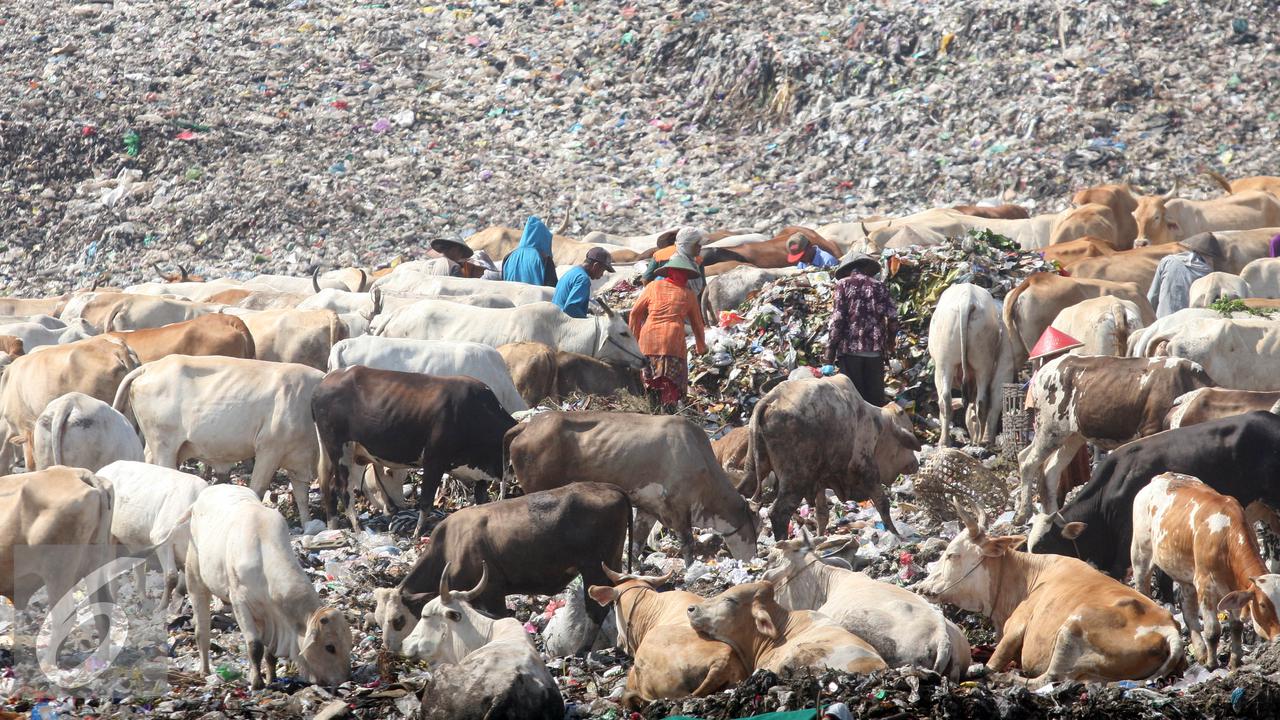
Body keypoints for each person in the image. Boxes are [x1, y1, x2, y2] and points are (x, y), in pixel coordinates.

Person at [628, 255, 706, 409]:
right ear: (686, 275)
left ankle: (650, 409)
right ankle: (668, 411)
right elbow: (697, 324)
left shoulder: (652, 287)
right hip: (673, 342)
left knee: (648, 381)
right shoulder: (689, 294)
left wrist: (633, 340)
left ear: (669, 271)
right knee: (670, 384)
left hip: (648, 340)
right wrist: (701, 346)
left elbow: (635, 313)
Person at [824, 251, 897, 405]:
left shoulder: (842, 285)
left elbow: (837, 320)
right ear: (867, 268)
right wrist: (890, 343)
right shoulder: (879, 286)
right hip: (875, 352)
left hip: (850, 353)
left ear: (847, 270)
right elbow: (893, 318)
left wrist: (829, 355)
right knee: (875, 402)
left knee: (854, 402)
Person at [1147, 231, 1218, 318]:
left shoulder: (1168, 261)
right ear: (1209, 256)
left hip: (1162, 320)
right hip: (1189, 323)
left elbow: (1152, 297)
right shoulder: (1208, 275)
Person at [552, 247, 614, 318]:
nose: (602, 274)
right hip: (564, 321)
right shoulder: (583, 279)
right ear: (596, 266)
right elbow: (570, 309)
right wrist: (588, 320)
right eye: (603, 270)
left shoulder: (573, 272)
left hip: (555, 319)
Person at [502, 216, 557, 287]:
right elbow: (552, 288)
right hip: (536, 294)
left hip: (510, 294)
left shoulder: (508, 257)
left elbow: (503, 284)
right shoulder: (545, 259)